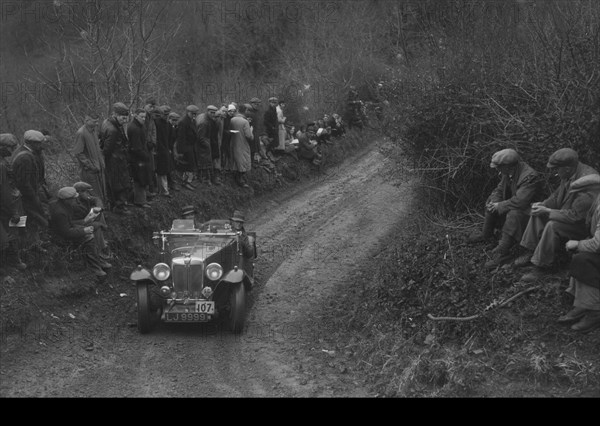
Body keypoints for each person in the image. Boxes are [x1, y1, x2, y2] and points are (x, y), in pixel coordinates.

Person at [516, 148, 599, 282]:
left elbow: (576, 217)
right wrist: (543, 205)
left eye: (556, 169)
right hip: (570, 217)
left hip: (583, 226)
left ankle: (541, 267)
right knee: (537, 212)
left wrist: (548, 212)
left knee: (552, 225)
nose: (555, 172)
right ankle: (530, 250)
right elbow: (556, 196)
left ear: (566, 168)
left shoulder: (587, 184)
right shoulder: (569, 172)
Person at [467, 149, 543, 269]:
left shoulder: (529, 176)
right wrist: (494, 202)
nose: (497, 170)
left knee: (514, 214)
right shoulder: (508, 172)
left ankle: (503, 250)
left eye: (498, 167)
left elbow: (521, 202)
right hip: (517, 205)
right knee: (491, 203)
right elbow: (499, 189)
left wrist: (500, 205)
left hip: (533, 212)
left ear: (507, 167)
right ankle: (486, 234)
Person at [557, 175, 600, 333]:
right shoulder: (596, 202)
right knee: (579, 256)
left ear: (591, 192)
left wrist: (578, 244)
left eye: (582, 194)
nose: (579, 198)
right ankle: (582, 304)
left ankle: (595, 312)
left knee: (583, 260)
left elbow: (597, 244)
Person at [49, 186, 112, 278]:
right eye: (74, 198)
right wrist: (83, 231)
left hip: (68, 229)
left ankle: (99, 260)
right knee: (89, 237)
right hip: (61, 236)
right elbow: (66, 233)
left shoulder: (66, 206)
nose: (76, 199)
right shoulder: (60, 212)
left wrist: (83, 224)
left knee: (92, 228)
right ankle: (95, 268)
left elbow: (70, 223)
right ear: (67, 200)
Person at [11, 130, 49, 253]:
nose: (42, 146)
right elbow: (24, 183)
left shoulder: (26, 152)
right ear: (31, 143)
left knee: (31, 221)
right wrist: (34, 198)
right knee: (27, 221)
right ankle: (28, 248)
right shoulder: (25, 157)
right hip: (25, 197)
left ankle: (35, 243)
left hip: (26, 195)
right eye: (39, 143)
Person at [0, 133, 26, 272]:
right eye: (10, 147)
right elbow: (4, 191)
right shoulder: (1, 165)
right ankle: (13, 262)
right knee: (12, 232)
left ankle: (15, 260)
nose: (12, 151)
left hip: (12, 202)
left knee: (14, 231)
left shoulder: (3, 161)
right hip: (8, 206)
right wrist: (13, 211)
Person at [101, 102, 132, 214]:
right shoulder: (113, 129)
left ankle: (116, 204)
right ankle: (119, 206)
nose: (125, 120)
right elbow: (107, 149)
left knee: (115, 183)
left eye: (126, 118)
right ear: (115, 114)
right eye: (123, 118)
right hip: (116, 161)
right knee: (120, 183)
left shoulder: (107, 123)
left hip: (115, 159)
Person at [72, 113, 107, 205]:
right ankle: (95, 214)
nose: (97, 124)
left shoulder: (93, 131)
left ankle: (102, 212)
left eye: (97, 121)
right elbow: (78, 153)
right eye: (94, 121)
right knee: (93, 193)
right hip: (89, 171)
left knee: (101, 192)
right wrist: (90, 165)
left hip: (98, 168)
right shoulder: (81, 133)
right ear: (87, 120)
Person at [72, 181, 110, 258]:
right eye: (87, 192)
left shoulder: (84, 198)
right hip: (78, 225)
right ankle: (100, 249)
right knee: (96, 226)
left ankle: (102, 237)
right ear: (79, 192)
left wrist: (98, 207)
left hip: (86, 219)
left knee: (99, 213)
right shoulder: (73, 204)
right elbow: (70, 221)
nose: (88, 194)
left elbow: (96, 199)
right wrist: (85, 221)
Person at [127, 108, 153, 208]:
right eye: (141, 116)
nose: (143, 119)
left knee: (143, 178)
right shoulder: (134, 128)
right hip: (137, 158)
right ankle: (140, 201)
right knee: (139, 179)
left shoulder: (140, 126)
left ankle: (143, 199)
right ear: (136, 116)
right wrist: (145, 156)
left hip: (141, 156)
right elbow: (135, 147)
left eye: (144, 117)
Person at [174, 105, 200, 190]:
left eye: (195, 114)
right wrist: (181, 151)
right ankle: (184, 182)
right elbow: (181, 138)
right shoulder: (183, 122)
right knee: (186, 165)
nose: (194, 115)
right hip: (185, 147)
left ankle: (188, 181)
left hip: (192, 146)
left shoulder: (192, 121)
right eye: (192, 113)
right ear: (188, 112)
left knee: (191, 165)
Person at [229, 104, 254, 188]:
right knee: (244, 160)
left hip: (233, 143)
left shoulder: (232, 119)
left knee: (235, 161)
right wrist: (251, 131)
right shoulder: (245, 121)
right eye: (248, 110)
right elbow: (248, 136)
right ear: (245, 111)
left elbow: (230, 131)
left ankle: (235, 178)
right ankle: (240, 180)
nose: (248, 112)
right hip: (243, 143)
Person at [195, 105, 218, 186]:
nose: (213, 114)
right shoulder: (204, 122)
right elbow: (201, 137)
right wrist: (208, 145)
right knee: (204, 161)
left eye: (214, 113)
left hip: (205, 141)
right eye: (211, 113)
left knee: (207, 161)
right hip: (202, 143)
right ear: (207, 111)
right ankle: (205, 179)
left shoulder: (205, 117)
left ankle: (208, 178)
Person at [154, 105, 173, 197]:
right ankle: (162, 190)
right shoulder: (157, 123)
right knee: (161, 171)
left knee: (164, 170)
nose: (166, 116)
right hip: (159, 150)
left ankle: (164, 189)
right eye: (165, 114)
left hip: (165, 149)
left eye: (167, 114)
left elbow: (169, 138)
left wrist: (168, 148)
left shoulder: (167, 124)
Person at [167, 111, 181, 192]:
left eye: (176, 120)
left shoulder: (175, 127)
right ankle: (171, 184)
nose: (175, 122)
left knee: (173, 166)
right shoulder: (168, 127)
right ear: (169, 119)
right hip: (169, 149)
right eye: (173, 120)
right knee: (170, 167)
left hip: (173, 148)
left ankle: (173, 183)